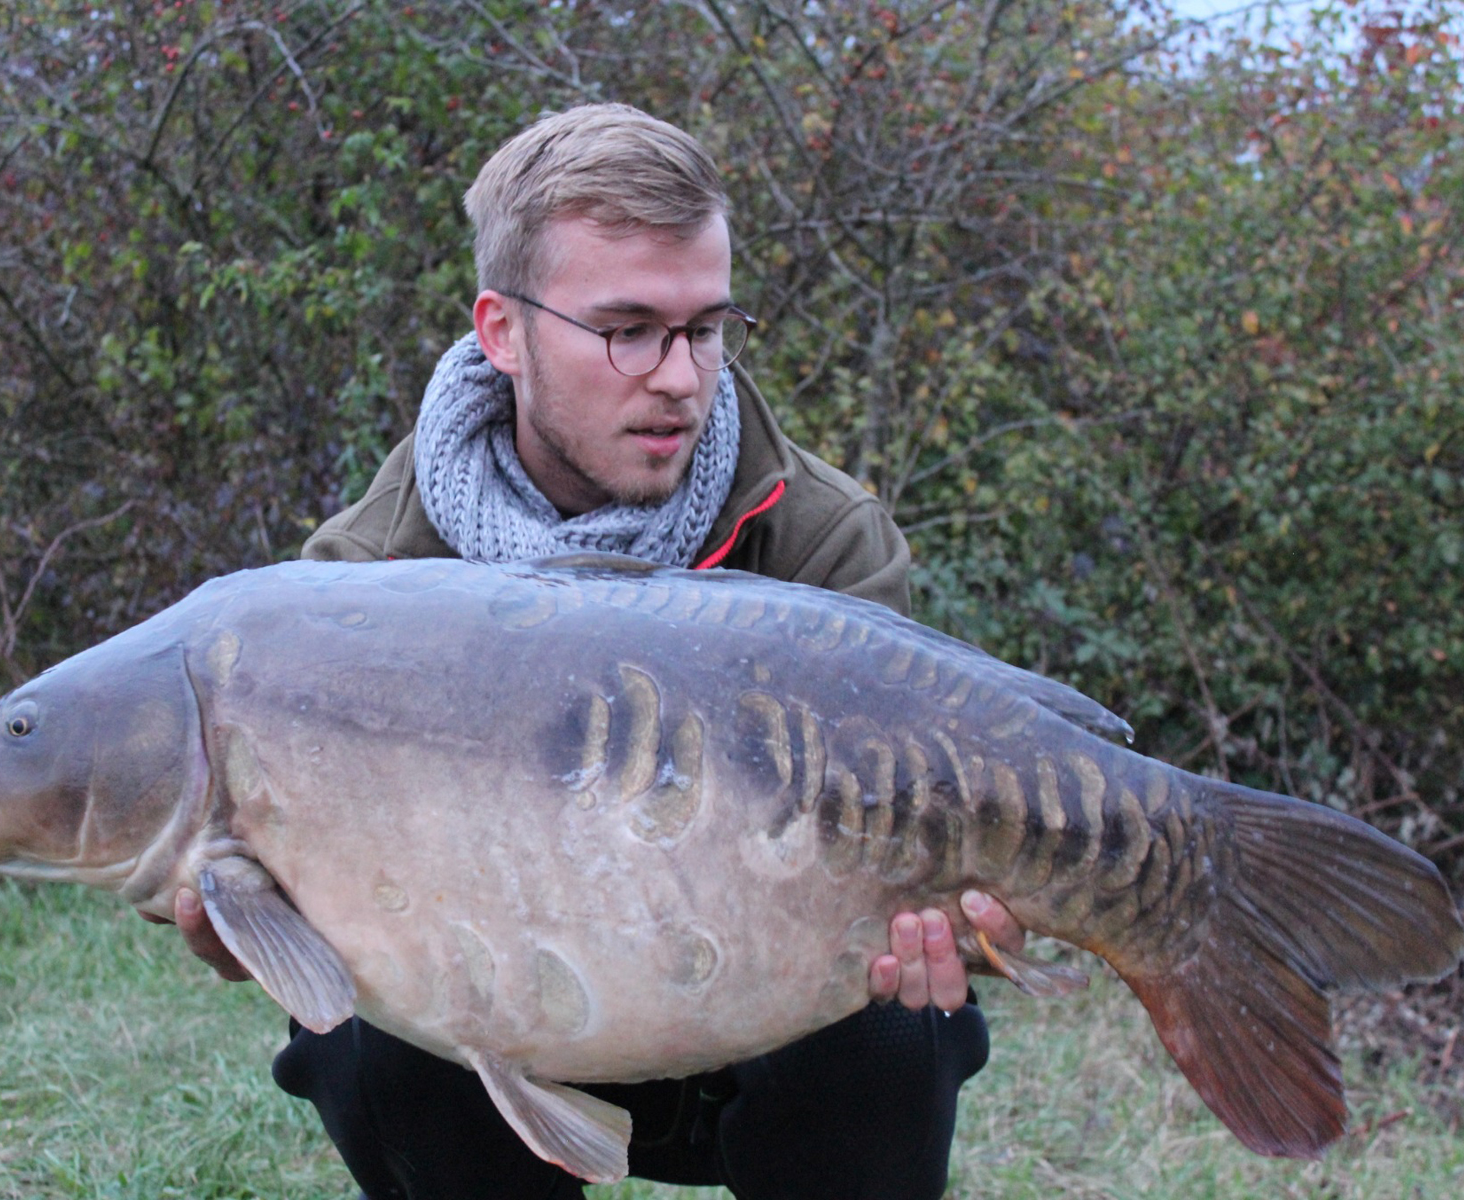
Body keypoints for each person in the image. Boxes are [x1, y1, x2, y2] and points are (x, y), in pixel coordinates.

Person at [148, 103, 1024, 1199]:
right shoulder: (365, 577)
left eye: (705, 330)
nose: (678, 377)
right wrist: (248, 923)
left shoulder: (823, 541)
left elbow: (950, 853)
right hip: (490, 1029)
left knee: (906, 1023)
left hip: (766, 1014)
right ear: (503, 332)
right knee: (357, 1034)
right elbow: (281, 911)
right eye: (628, 330)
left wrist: (976, 922)